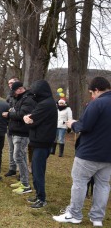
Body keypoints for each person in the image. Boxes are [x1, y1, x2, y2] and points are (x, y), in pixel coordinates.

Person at [53, 77, 111, 227]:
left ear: (97, 90)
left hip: (89, 153)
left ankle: (74, 214)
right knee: (103, 185)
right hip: (108, 155)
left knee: (79, 183)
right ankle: (97, 218)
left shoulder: (97, 103)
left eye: (92, 92)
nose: (92, 95)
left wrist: (73, 124)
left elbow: (84, 126)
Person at [22, 80, 57, 208]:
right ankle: (38, 195)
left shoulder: (46, 104)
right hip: (40, 141)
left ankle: (41, 199)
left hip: (42, 142)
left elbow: (32, 120)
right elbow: (32, 118)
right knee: (36, 170)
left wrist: (28, 118)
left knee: (38, 171)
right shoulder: (45, 103)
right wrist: (29, 118)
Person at [3, 81, 36, 194]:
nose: (13, 94)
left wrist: (9, 114)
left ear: (19, 89)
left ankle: (26, 185)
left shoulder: (28, 99)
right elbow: (16, 110)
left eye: (14, 91)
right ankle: (23, 180)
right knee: (19, 156)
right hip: (16, 131)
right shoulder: (20, 98)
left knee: (18, 156)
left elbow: (22, 115)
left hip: (22, 133)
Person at [5, 77, 20, 177]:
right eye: (9, 83)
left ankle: (21, 170)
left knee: (19, 150)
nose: (10, 84)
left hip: (19, 127)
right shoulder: (9, 96)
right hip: (9, 125)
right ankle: (12, 168)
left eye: (12, 83)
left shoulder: (22, 96)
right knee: (11, 149)